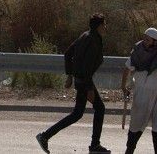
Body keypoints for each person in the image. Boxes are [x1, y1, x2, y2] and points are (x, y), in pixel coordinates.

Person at [37, 13, 109, 154]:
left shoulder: (85, 36)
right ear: (100, 26)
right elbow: (87, 66)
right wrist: (89, 88)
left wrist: (70, 76)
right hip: (85, 81)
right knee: (99, 108)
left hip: (81, 80)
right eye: (104, 24)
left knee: (77, 114)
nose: (105, 27)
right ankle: (94, 145)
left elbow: (68, 53)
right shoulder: (93, 40)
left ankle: (45, 136)